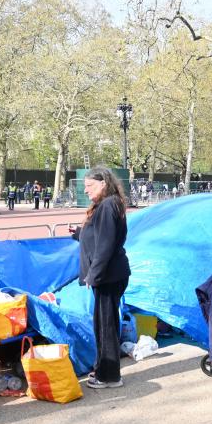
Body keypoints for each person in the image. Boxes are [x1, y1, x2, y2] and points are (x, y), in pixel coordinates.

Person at [71, 166, 131, 389]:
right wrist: (80, 234)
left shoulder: (107, 206)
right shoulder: (108, 205)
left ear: (103, 183)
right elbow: (100, 237)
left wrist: (93, 275)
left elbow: (105, 245)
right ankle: (107, 371)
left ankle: (109, 375)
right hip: (110, 274)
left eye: (89, 186)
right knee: (106, 324)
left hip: (108, 276)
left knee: (105, 326)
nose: (86, 190)